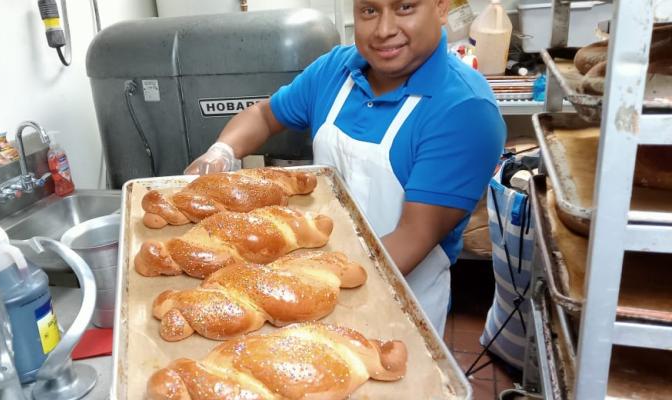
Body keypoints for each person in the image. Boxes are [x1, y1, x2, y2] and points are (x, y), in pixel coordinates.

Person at [184, 0, 505, 336]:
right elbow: (264, 116)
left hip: (395, 306)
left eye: (405, 7)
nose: (384, 30)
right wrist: (221, 152)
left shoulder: (464, 110)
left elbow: (413, 236)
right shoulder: (336, 69)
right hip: (309, 276)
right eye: (369, 11)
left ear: (440, 7)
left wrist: (294, 289)